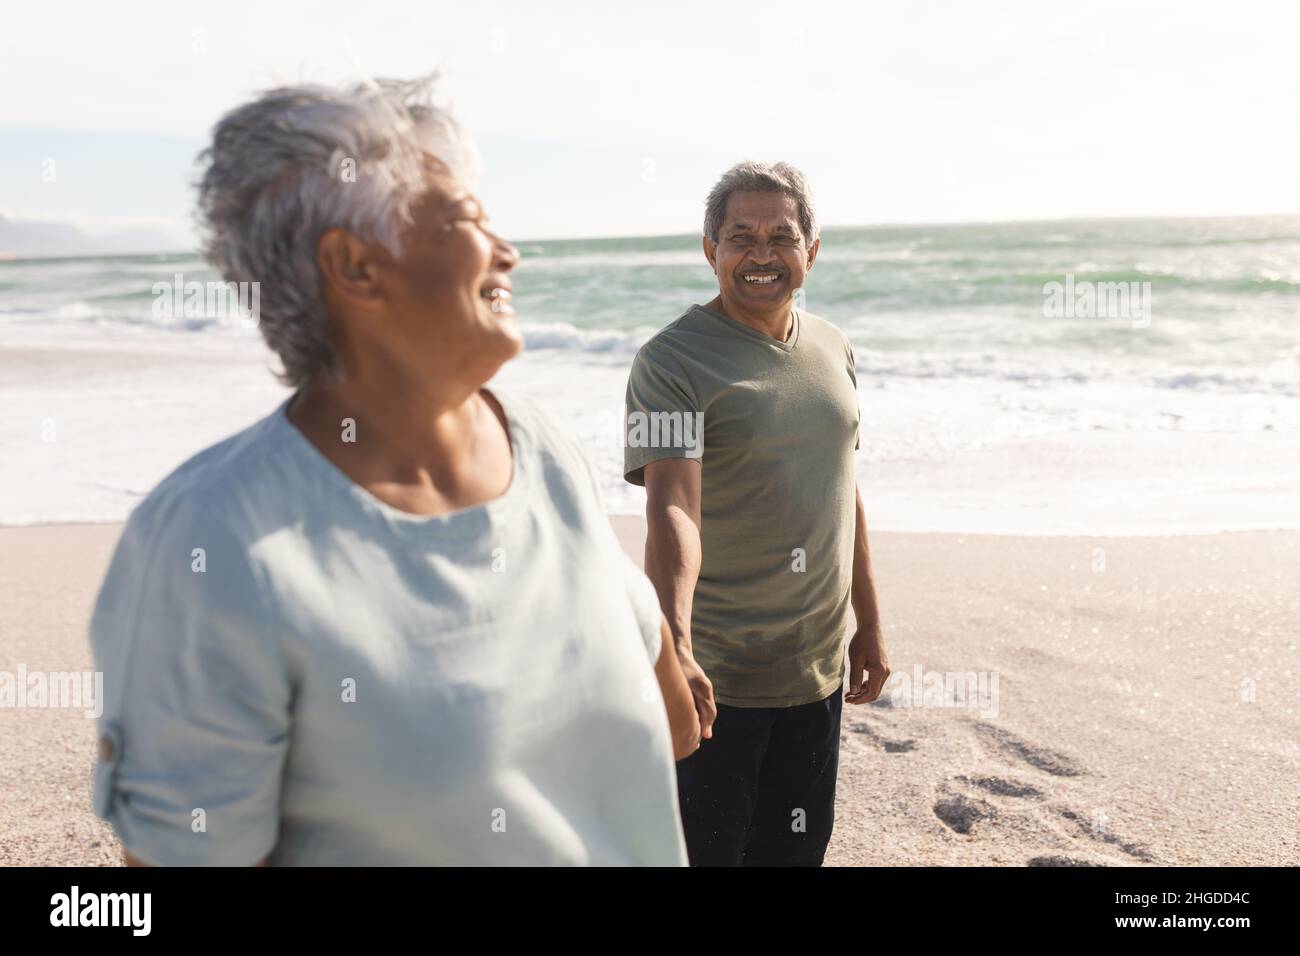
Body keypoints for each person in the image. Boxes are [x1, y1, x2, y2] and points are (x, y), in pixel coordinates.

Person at [88, 75, 698, 866]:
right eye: (467, 220)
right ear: (355, 268)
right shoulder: (212, 542)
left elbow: (674, 718)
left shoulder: (545, 450)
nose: (508, 251)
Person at [623, 161, 890, 866]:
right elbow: (671, 507)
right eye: (741, 236)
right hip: (718, 676)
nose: (762, 253)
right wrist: (674, 644)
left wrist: (871, 622)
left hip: (815, 668)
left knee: (794, 853)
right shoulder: (668, 362)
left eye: (782, 235)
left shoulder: (834, 347)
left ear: (812, 250)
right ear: (710, 249)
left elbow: (843, 486)